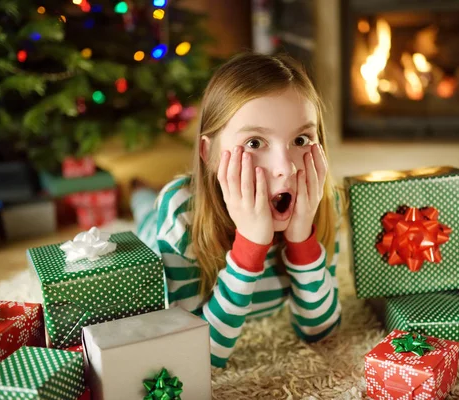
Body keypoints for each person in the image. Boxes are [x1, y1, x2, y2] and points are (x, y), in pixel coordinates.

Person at [131, 52, 344, 367]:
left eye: (301, 139)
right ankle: (139, 192)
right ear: (208, 151)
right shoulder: (181, 212)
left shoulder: (321, 199)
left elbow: (321, 330)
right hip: (156, 227)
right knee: (145, 207)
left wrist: (301, 238)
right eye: (255, 143)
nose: (285, 169)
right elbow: (198, 354)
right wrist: (250, 246)